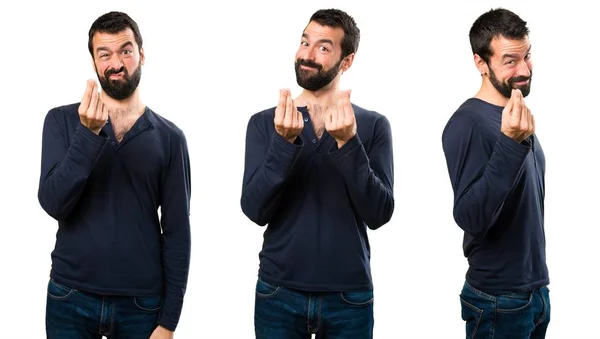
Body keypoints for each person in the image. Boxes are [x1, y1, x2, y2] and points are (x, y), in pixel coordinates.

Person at [240, 8, 394, 339]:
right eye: (304, 42)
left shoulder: (372, 125)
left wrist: (349, 143)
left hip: (349, 297)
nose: (307, 55)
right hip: (277, 293)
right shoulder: (264, 123)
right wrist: (283, 144)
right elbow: (254, 210)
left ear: (347, 60)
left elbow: (380, 213)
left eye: (323, 47)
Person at [38, 11, 191, 339]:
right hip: (70, 296)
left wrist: (169, 322)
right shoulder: (61, 122)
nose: (116, 63)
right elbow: (53, 203)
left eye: (125, 50)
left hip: (142, 304)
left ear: (142, 54)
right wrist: (88, 136)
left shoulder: (170, 138)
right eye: (104, 54)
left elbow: (178, 231)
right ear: (94, 62)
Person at [441, 8, 550, 338]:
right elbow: (469, 216)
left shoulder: (514, 116)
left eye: (526, 55)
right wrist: (510, 145)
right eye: (510, 61)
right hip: (498, 299)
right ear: (480, 63)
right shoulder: (466, 123)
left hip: (535, 292)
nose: (524, 69)